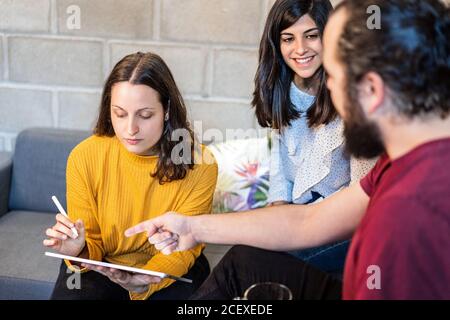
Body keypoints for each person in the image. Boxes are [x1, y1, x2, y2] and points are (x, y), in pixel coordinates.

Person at [125, 0, 450, 300]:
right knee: (244, 262)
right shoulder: (399, 163)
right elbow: (310, 220)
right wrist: (193, 227)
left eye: (333, 77)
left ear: (372, 90)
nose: (329, 90)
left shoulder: (408, 214)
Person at [43, 52, 218, 300]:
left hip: (170, 266)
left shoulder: (200, 164)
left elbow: (183, 250)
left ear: (167, 110)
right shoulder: (85, 156)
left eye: (145, 115)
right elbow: (91, 241)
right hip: (101, 263)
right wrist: (79, 250)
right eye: (120, 113)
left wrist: (144, 281)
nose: (130, 129)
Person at [252, 0, 374, 273]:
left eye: (311, 36)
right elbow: (280, 169)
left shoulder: (350, 96)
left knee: (266, 268)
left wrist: (300, 225)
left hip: (340, 226)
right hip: (296, 215)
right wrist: (277, 216)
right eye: (288, 38)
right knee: (246, 255)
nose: (300, 49)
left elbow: (362, 195)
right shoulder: (280, 91)